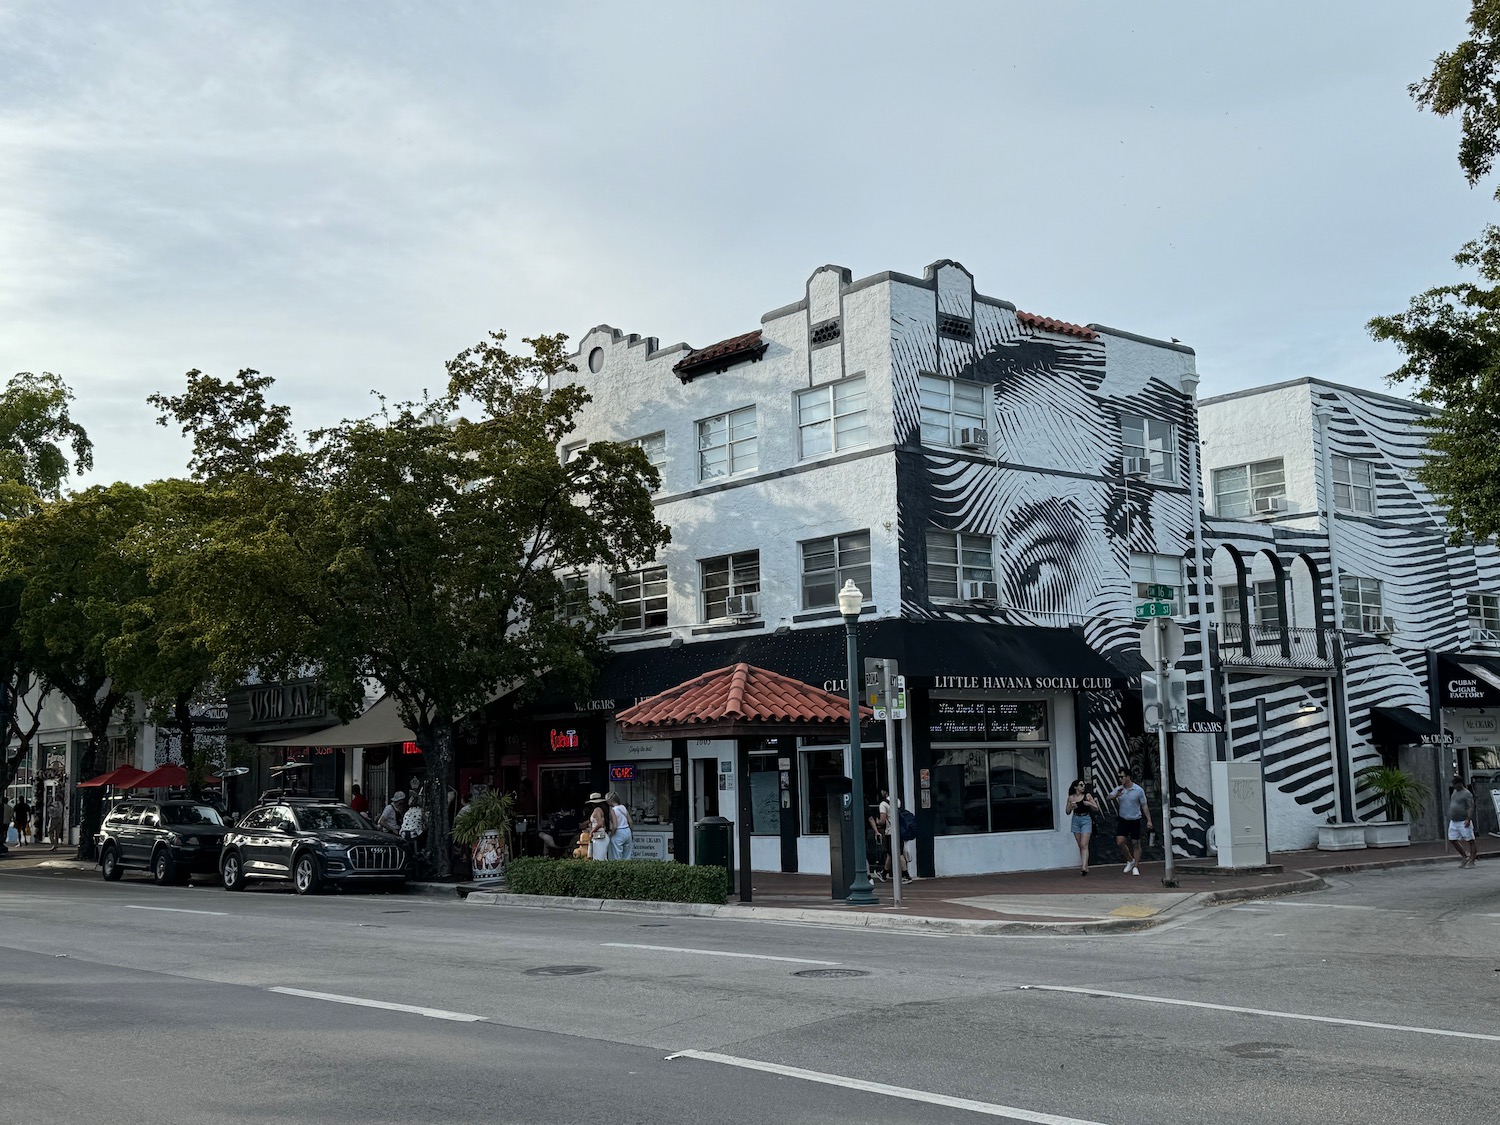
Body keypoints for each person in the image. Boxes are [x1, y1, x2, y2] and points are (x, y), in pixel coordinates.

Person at [1109, 768, 1151, 876]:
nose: (1120, 779)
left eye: (1122, 777)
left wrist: (1149, 820)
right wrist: (1115, 795)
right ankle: (1130, 859)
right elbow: (1108, 797)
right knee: (1120, 841)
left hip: (1135, 819)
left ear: (1128, 777)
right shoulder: (1120, 789)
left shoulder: (1138, 790)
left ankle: (1136, 866)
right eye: (1119, 777)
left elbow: (1144, 805)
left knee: (1136, 843)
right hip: (1123, 819)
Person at [1066, 780, 1099, 876]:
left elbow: (1096, 808)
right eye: (1081, 785)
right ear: (1075, 787)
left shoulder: (1087, 796)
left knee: (1084, 844)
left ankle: (1084, 866)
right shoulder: (1071, 797)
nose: (1083, 786)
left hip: (1086, 819)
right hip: (1076, 819)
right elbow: (1067, 812)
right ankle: (1085, 865)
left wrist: (1089, 804)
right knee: (1080, 845)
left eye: (1083, 785)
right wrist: (1071, 806)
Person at [1448, 774, 1478, 868]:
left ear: (1460, 784)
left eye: (1455, 784)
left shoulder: (1467, 793)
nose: (1454, 786)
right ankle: (1464, 857)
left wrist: (1468, 819)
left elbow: (1470, 806)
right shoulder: (1454, 792)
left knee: (1470, 840)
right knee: (1452, 839)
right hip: (1454, 821)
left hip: (1463, 820)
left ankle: (1472, 860)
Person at [605, 790, 633, 859]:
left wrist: (611, 835)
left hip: (619, 832)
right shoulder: (623, 807)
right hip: (627, 830)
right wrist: (631, 832)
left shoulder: (613, 810)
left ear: (609, 800)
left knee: (617, 855)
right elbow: (630, 821)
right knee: (627, 856)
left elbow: (615, 825)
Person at [586, 792, 613, 861]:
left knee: (598, 858)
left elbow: (600, 823)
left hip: (599, 836)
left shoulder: (597, 810)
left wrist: (592, 831)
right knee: (601, 857)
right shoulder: (601, 809)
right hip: (600, 835)